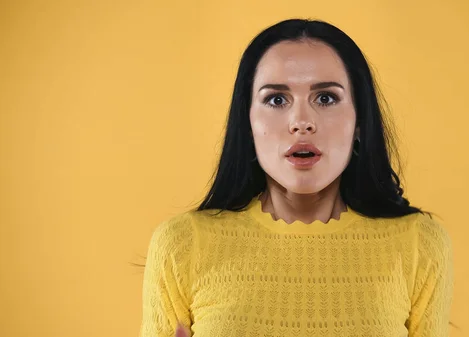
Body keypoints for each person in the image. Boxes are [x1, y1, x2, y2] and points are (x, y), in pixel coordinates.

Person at [140, 18, 453, 337]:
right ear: (247, 123)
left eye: (326, 98)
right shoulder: (182, 245)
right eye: (276, 99)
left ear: (359, 120)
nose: (301, 122)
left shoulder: (419, 245)